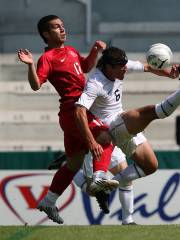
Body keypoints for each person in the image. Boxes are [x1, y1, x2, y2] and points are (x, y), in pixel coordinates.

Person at [48, 48, 179, 224]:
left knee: (150, 166)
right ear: (109, 67)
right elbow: (79, 111)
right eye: (121, 67)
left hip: (117, 127)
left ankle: (110, 195)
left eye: (126, 66)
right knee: (151, 113)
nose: (125, 69)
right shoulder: (95, 82)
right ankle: (127, 218)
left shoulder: (120, 66)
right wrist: (90, 140)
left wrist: (170, 73)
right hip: (106, 133)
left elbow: (147, 67)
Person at [17, 15, 119, 224]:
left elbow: (86, 67)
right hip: (74, 110)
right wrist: (29, 65)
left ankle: (48, 201)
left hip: (78, 109)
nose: (62, 29)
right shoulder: (48, 57)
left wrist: (94, 51)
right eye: (56, 27)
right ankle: (99, 178)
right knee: (107, 137)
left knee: (73, 163)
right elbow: (36, 85)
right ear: (46, 34)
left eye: (63, 26)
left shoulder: (71, 50)